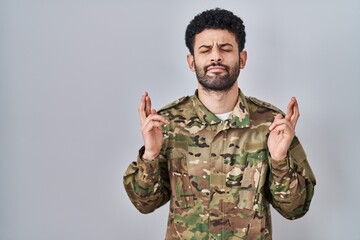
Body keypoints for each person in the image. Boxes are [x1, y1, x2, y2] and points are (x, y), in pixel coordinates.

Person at [123, 8, 316, 240]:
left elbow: (295, 209)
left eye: (225, 48)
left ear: (242, 59)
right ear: (191, 62)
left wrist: (279, 161)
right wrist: (150, 155)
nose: (216, 56)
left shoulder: (271, 123)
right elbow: (145, 204)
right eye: (205, 50)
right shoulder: (167, 123)